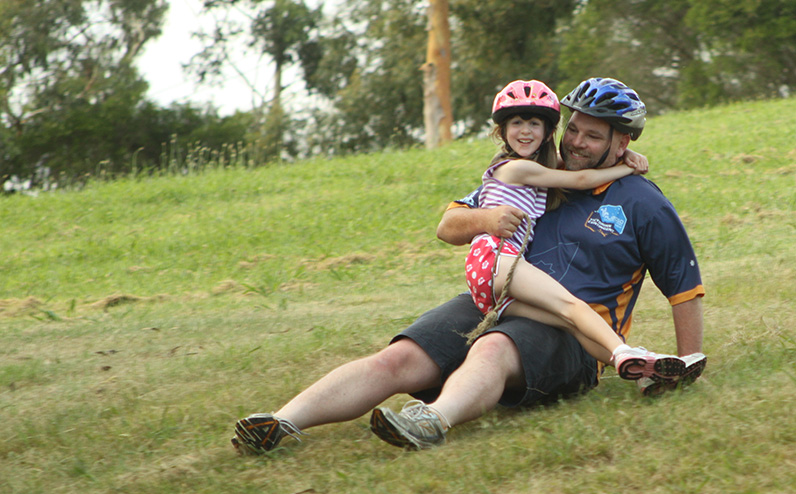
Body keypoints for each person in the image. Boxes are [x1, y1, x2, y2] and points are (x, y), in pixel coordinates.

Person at [231, 77, 707, 455]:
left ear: (622, 142)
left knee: (492, 348)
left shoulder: (643, 202)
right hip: (495, 300)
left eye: (594, 135)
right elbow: (449, 225)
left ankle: (432, 421)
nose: (577, 142)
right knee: (399, 358)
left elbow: (683, 285)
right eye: (574, 129)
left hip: (572, 337)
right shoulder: (536, 177)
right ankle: (281, 422)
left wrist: (689, 363)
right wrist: (487, 219)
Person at [460, 80, 683, 383]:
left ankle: (639, 365)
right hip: (496, 257)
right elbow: (581, 179)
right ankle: (624, 350)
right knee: (573, 306)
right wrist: (627, 168)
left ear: (547, 133)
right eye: (517, 123)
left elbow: (571, 161)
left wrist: (623, 151)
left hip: (487, 277)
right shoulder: (515, 168)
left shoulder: (536, 166)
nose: (525, 131)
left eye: (534, 124)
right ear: (502, 131)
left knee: (571, 324)